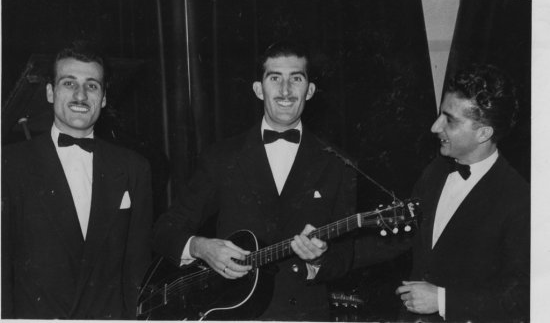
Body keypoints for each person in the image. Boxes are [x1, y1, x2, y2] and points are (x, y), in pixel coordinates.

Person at [151, 42, 356, 321]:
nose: (285, 90)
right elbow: (165, 229)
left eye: (296, 78)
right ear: (259, 89)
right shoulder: (221, 157)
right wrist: (201, 247)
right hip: (233, 314)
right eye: (275, 78)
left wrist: (318, 260)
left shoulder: (338, 164)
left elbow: (344, 257)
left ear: (309, 91)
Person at [355, 64, 529, 322]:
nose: (435, 127)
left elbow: (523, 298)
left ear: (483, 133)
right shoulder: (436, 169)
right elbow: (403, 238)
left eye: (449, 120)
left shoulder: (520, 199)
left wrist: (442, 300)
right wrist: (326, 256)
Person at [1, 42, 153, 319]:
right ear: (50, 92)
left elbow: (137, 271)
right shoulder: (8, 165)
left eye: (92, 86)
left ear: (104, 98)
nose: (80, 95)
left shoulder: (134, 168)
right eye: (69, 83)